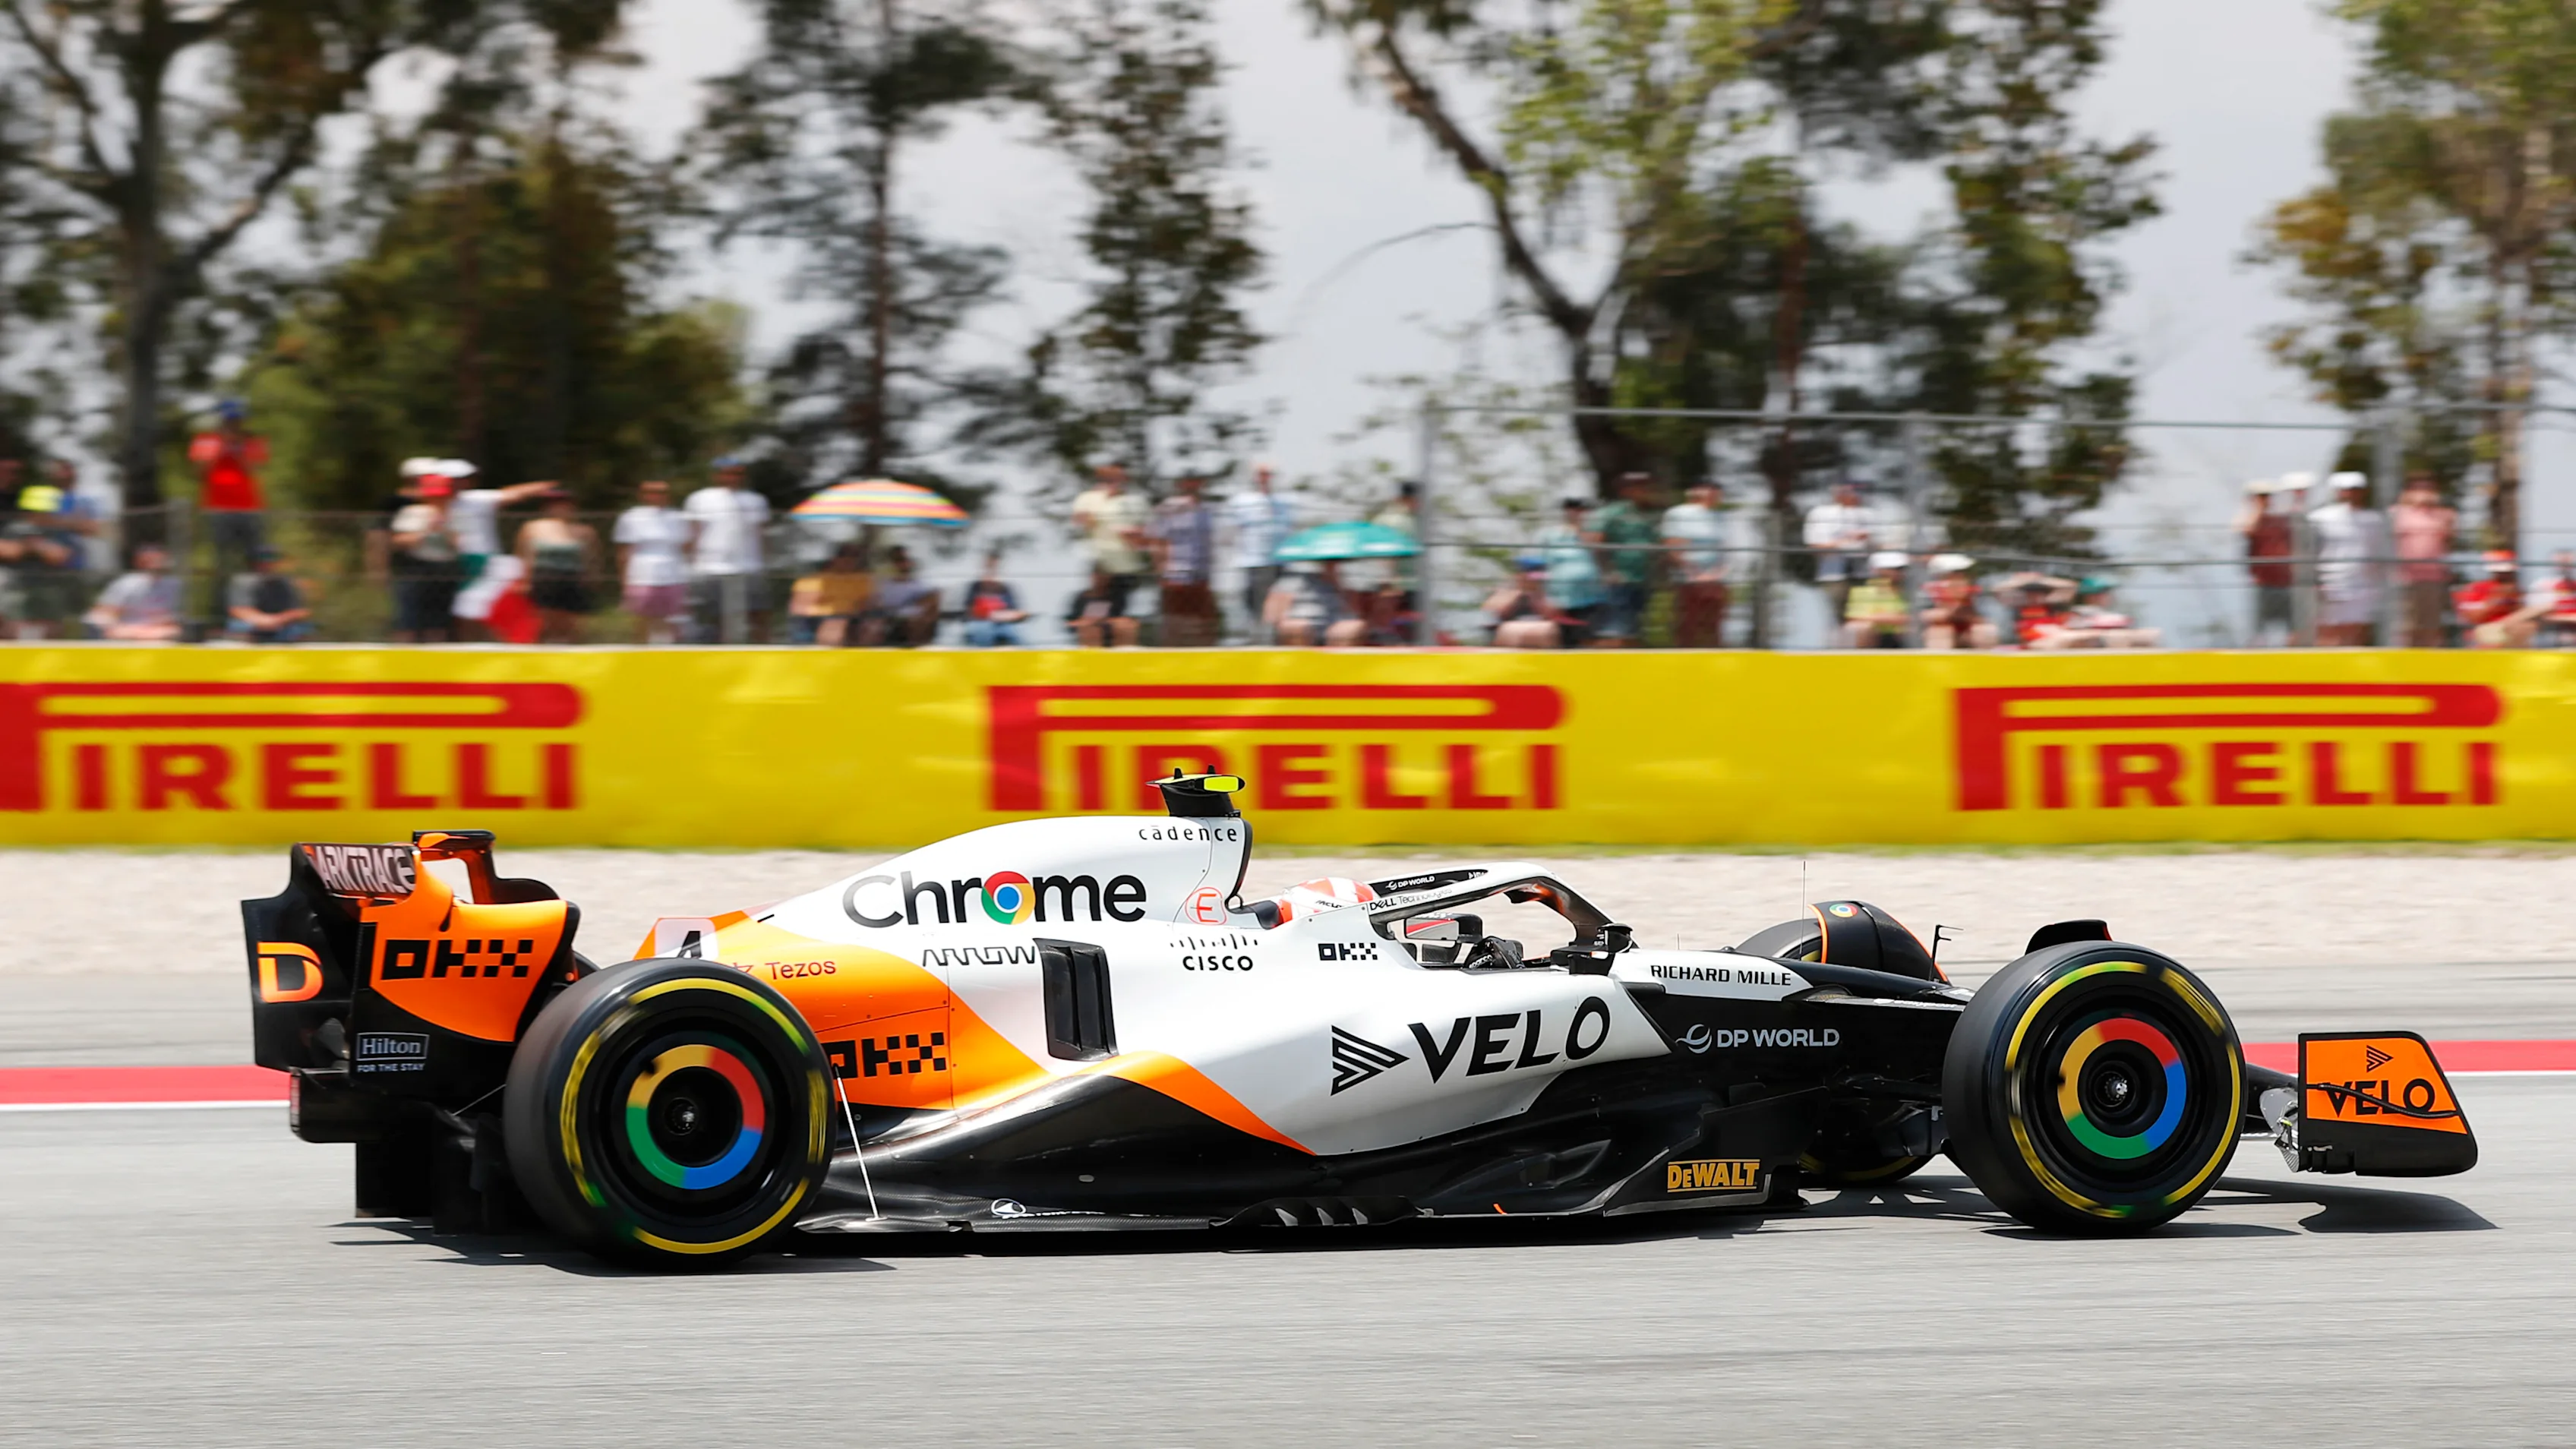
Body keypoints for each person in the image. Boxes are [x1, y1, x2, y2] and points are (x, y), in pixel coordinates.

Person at [445, 463, 557, 639]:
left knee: (480, 609)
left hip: (480, 560)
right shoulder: (432, 502)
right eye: (455, 480)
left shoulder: (475, 499)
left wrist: (547, 486)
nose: (460, 483)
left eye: (464, 479)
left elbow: (513, 494)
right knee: (464, 611)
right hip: (450, 562)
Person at [685, 456, 772, 642]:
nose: (732, 477)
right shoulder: (700, 499)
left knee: (758, 616)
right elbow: (693, 533)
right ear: (717, 475)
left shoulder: (756, 500)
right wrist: (690, 565)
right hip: (710, 568)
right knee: (713, 619)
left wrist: (765, 563)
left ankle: (763, 654)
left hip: (749, 567)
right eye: (727, 473)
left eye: (737, 473)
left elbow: (761, 535)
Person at [185, 399, 269, 591]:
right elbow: (200, 473)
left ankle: (256, 601)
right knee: (222, 561)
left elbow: (252, 470)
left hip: (250, 508)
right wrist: (220, 449)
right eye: (230, 420)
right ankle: (221, 604)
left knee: (256, 559)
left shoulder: (252, 441)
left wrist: (237, 449)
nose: (234, 424)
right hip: (218, 509)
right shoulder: (205, 441)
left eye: (238, 420)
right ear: (220, 421)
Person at [2309, 470, 2390, 646]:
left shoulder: (2374, 520)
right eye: (2345, 489)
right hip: (2330, 583)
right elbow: (2310, 552)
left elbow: (2379, 552)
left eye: (2355, 489)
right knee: (2327, 630)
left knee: (2359, 630)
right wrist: (2315, 581)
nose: (2350, 494)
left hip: (2364, 584)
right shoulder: (2319, 518)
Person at [514, 488, 600, 644]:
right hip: (543, 579)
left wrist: (591, 580)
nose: (560, 508)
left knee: (570, 625)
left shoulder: (585, 531)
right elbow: (524, 556)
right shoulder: (532, 527)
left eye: (564, 504)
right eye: (554, 504)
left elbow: (591, 559)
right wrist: (524, 581)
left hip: (572, 579)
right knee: (543, 624)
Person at [4, 481, 87, 638]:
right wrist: (33, 547)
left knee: (50, 629)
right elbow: (7, 551)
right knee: (13, 627)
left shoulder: (61, 533)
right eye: (33, 511)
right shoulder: (15, 529)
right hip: (17, 589)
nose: (37, 516)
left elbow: (60, 556)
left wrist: (34, 547)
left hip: (50, 591)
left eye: (44, 511)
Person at [614, 479, 690, 645]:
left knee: (673, 623)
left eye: (662, 492)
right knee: (641, 623)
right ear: (643, 495)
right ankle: (640, 655)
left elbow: (687, 547)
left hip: (674, 576)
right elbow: (624, 552)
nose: (657, 496)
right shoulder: (631, 517)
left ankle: (670, 654)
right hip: (641, 577)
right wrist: (624, 582)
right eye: (652, 492)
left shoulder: (679, 517)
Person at [1069, 462, 1150, 620]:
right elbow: (1080, 521)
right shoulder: (1088, 498)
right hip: (1099, 561)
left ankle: (1104, 627)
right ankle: (1090, 626)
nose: (1113, 481)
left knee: (1117, 610)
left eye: (1117, 477)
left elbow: (1147, 534)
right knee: (1097, 603)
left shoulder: (1136, 502)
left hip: (1126, 565)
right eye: (1108, 478)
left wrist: (1132, 533)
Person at [386, 475, 461, 642]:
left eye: (442, 496)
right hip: (416, 568)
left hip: (444, 569)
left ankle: (436, 653)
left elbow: (459, 545)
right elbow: (398, 541)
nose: (438, 500)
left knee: (438, 621)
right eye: (434, 496)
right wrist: (427, 530)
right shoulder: (412, 513)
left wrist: (445, 530)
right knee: (408, 619)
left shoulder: (455, 515)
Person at [1227, 462, 1296, 641]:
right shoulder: (1242, 502)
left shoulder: (1284, 502)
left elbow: (1289, 530)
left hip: (1279, 563)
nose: (1265, 478)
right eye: (1261, 474)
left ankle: (1275, 640)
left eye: (1268, 474)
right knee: (1255, 607)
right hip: (1254, 562)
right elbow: (1231, 532)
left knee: (1280, 606)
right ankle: (1255, 640)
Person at [1661, 480, 1733, 648]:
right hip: (1689, 579)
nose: (1713, 495)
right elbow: (1673, 547)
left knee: (1715, 624)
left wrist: (1718, 574)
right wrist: (1695, 574)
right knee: (1688, 624)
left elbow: (1725, 549)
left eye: (1716, 491)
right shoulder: (1679, 513)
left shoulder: (1719, 517)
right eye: (1709, 490)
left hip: (1716, 579)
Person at [1590, 472, 1660, 646]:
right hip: (1619, 580)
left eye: (1645, 486)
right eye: (1637, 486)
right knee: (1615, 630)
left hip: (1641, 579)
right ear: (1625, 490)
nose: (1644, 490)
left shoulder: (1647, 513)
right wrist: (1609, 572)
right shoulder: (1611, 512)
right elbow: (1595, 543)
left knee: (1633, 630)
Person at [1151, 474, 1220, 646]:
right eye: (1188, 481)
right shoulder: (1168, 509)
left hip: (1201, 577)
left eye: (1196, 481)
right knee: (1174, 625)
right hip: (1175, 577)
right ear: (1180, 484)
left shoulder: (1207, 510)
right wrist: (1161, 571)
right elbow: (1158, 541)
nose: (1192, 485)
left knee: (1204, 626)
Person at [2391, 473, 2457, 648]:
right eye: (2418, 488)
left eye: (2428, 488)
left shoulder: (2445, 515)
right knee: (2405, 626)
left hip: (2433, 579)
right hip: (2403, 579)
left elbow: (2449, 543)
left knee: (2431, 625)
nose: (2424, 493)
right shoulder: (2395, 514)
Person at [1802, 480, 1879, 630]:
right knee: (1838, 618)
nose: (1852, 494)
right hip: (1834, 576)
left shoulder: (1869, 514)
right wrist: (1847, 541)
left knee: (1866, 619)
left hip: (1866, 574)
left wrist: (1867, 541)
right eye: (1846, 490)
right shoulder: (1821, 514)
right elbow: (1815, 546)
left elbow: (1881, 544)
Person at [2235, 476, 2297, 645]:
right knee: (2259, 631)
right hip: (2263, 583)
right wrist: (2257, 508)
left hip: (2288, 581)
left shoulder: (2282, 518)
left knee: (2293, 629)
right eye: (2261, 495)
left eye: (2267, 495)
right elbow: (2246, 530)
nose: (2266, 499)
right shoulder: (2249, 517)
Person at [2028, 576, 2162, 649]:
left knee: (2150, 635)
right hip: (2083, 658)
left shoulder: (2110, 615)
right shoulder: (2078, 613)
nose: (2108, 596)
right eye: (2104, 593)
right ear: (2093, 596)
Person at [84, 542, 184, 639]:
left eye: (160, 560)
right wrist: (133, 631)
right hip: (127, 632)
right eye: (150, 560)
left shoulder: (174, 585)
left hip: (160, 632)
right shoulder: (127, 583)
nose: (156, 564)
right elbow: (100, 616)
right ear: (139, 562)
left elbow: (173, 618)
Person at [1538, 496, 1605, 639]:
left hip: (1591, 598)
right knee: (1561, 640)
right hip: (1559, 600)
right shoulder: (1550, 535)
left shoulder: (1596, 534)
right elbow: (1539, 566)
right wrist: (1543, 598)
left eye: (1584, 510)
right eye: (1575, 510)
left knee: (1589, 641)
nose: (1580, 514)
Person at [1264, 560, 1368, 646]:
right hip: (1301, 620)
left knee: (1348, 629)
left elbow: (1355, 611)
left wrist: (1336, 581)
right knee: (1295, 627)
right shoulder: (1293, 580)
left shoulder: (1348, 581)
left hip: (1336, 622)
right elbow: (1273, 612)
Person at [788, 542, 874, 646]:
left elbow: (867, 603)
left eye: (854, 556)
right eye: (844, 555)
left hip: (854, 618)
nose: (849, 560)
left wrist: (848, 613)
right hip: (818, 620)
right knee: (835, 624)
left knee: (874, 624)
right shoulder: (812, 581)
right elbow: (799, 608)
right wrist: (834, 613)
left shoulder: (863, 580)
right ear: (834, 558)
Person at [2454, 552, 2543, 649]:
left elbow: (2523, 614)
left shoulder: (2516, 590)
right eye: (2501, 572)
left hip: (2509, 631)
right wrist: (2498, 598)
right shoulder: (2477, 588)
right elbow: (2473, 617)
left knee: (2529, 623)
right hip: (2486, 631)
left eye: (2509, 572)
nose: (2506, 575)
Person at [226, 547, 311, 642]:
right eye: (263, 561)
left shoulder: (286, 583)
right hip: (252, 626)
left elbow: (299, 612)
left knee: (302, 629)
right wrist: (269, 622)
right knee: (240, 627)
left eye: (272, 560)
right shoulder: (243, 581)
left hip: (283, 626)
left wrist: (280, 620)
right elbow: (239, 611)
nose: (268, 564)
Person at [1484, 554, 1564, 649]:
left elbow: (1554, 615)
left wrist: (1536, 596)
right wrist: (1520, 592)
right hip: (1509, 642)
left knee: (1546, 629)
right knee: (1509, 630)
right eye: (1532, 579)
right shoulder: (1506, 594)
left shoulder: (1544, 597)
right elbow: (1491, 612)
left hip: (1539, 640)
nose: (1536, 582)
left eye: (1539, 579)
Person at [867, 545, 941, 646]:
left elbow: (932, 607)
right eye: (898, 560)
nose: (903, 564)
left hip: (915, 622)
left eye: (906, 560)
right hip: (890, 621)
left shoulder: (924, 585)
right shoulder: (882, 585)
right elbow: (875, 606)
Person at [1919, 554, 1997, 649]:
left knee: (1984, 630)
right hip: (1940, 629)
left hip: (1967, 628)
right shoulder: (1928, 591)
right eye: (1958, 571)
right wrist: (1954, 607)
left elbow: (1981, 617)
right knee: (1940, 632)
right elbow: (1926, 616)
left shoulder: (1974, 590)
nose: (1963, 575)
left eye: (1964, 571)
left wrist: (1960, 607)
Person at [1841, 551, 1911, 648]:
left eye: (1901, 569)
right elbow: (1856, 618)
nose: (1898, 572)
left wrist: (1882, 617)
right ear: (1877, 570)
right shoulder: (1863, 591)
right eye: (1893, 569)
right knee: (1858, 628)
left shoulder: (1912, 590)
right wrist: (1895, 618)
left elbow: (1915, 618)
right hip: (1876, 634)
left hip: (1905, 635)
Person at [961, 551, 1030, 647]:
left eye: (994, 569)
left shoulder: (1006, 589)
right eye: (988, 569)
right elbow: (969, 611)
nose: (991, 573)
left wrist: (1017, 615)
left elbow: (1014, 610)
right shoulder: (975, 588)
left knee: (1021, 635)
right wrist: (988, 614)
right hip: (980, 623)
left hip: (1004, 625)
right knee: (982, 631)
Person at [1066, 566, 1141, 647]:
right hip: (1090, 632)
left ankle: (1124, 653)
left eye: (1104, 576)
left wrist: (1105, 621)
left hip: (1111, 630)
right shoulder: (1081, 597)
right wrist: (1084, 622)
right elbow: (1071, 621)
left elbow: (1124, 617)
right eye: (1098, 576)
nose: (1101, 579)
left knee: (1124, 627)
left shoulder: (1116, 597)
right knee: (1091, 630)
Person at [2542, 552, 2576, 649]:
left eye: (2568, 562)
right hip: (2551, 636)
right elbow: (2541, 614)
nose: (2565, 566)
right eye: (2561, 563)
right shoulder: (2543, 586)